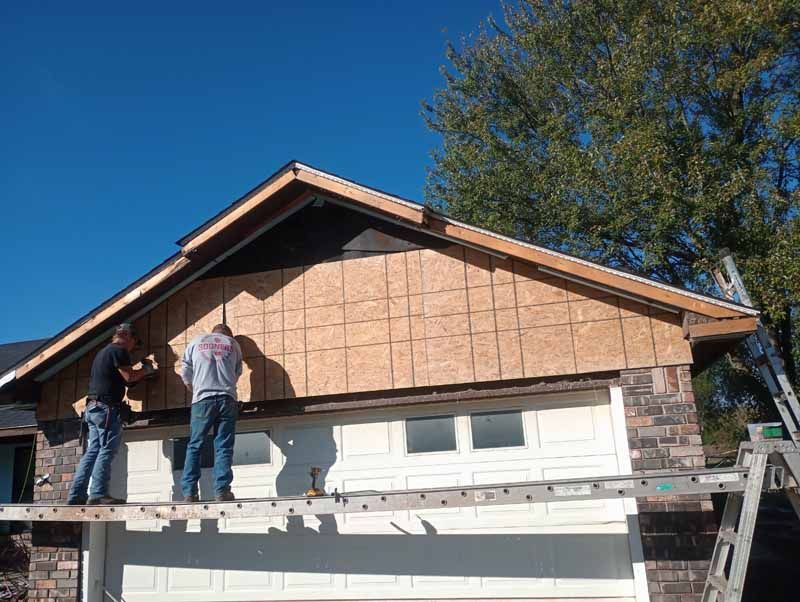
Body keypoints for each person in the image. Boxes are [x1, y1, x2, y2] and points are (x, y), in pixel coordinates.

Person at [68, 323, 156, 505]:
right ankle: (98, 494)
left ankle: (76, 495)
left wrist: (138, 373)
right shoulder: (119, 350)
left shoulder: (103, 353)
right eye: (134, 343)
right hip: (106, 408)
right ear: (127, 337)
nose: (133, 348)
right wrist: (146, 370)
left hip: (92, 408)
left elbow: (127, 382)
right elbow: (129, 377)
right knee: (106, 449)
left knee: (92, 451)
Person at [180, 323, 243, 502]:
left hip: (202, 399)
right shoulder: (233, 344)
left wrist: (196, 389)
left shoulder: (196, 341)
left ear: (212, 331)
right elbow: (237, 372)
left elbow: (185, 370)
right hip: (227, 397)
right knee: (223, 446)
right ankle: (222, 491)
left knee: (195, 445)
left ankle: (189, 493)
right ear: (228, 334)